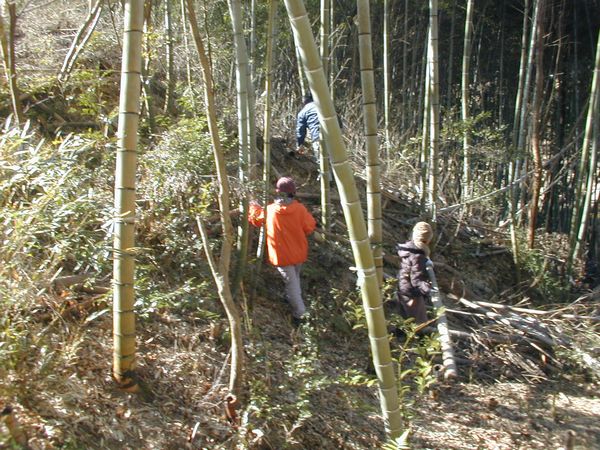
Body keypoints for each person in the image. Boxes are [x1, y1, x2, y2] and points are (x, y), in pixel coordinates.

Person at [248, 177, 317, 325]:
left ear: (278, 193)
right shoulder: (299, 209)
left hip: (282, 256)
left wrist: (252, 206)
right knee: (294, 280)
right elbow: (310, 227)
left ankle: (300, 315)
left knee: (291, 282)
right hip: (299, 252)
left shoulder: (271, 210)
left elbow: (256, 219)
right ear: (293, 192)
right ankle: (294, 301)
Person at [395, 221, 434, 325]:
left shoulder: (408, 249)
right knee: (419, 323)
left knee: (404, 319)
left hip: (402, 286)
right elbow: (416, 280)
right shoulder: (418, 256)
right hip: (411, 292)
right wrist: (428, 289)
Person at [295, 92, 321, 162]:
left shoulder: (304, 111)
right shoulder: (325, 105)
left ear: (305, 101)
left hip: (319, 137)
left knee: (322, 163)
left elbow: (300, 130)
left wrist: (299, 144)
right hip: (336, 137)